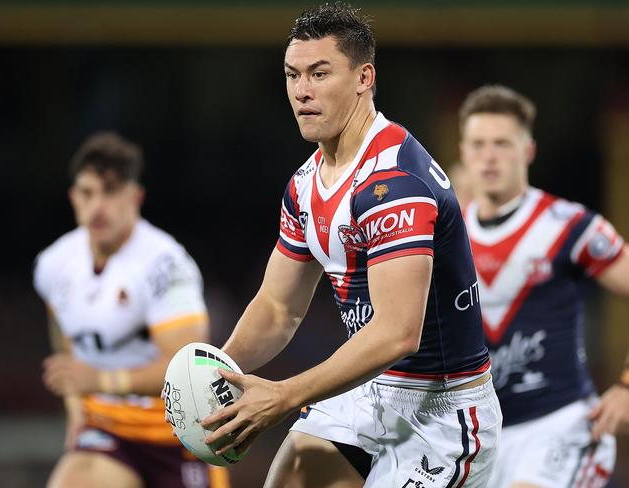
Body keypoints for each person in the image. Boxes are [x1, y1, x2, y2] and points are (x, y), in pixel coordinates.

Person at [199, 4, 502, 487]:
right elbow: (279, 307)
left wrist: (284, 395)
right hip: (371, 391)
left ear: (365, 77)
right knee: (291, 476)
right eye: (293, 75)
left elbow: (398, 334)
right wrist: (215, 378)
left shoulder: (392, 181)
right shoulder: (304, 184)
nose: (302, 91)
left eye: (320, 73)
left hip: (442, 410)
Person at [34, 132, 229, 488]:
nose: (97, 207)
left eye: (110, 192)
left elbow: (188, 371)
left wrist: (102, 381)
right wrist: (76, 406)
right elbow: (63, 332)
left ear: (135, 197)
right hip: (107, 431)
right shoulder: (53, 265)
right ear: (73, 197)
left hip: (180, 433)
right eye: (87, 193)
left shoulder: (165, 267)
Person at [458, 84, 629, 488]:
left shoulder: (569, 226)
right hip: (475, 439)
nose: (489, 156)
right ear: (464, 153)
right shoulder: (445, 238)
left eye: (502, 143)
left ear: (527, 150)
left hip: (559, 426)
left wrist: (626, 386)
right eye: (478, 144)